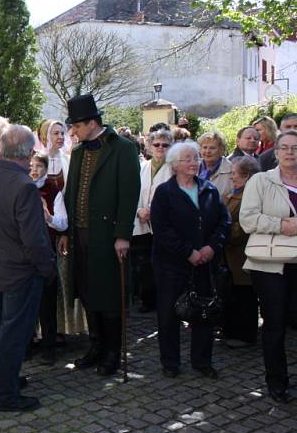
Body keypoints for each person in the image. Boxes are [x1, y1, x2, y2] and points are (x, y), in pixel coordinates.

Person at [0, 125, 56, 412]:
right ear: (27, 153)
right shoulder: (24, 187)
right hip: (20, 271)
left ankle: (0, 377)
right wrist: (47, 268)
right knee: (14, 333)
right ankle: (5, 394)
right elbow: (34, 239)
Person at [60, 94, 141, 376]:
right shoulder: (80, 151)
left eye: (77, 126)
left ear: (93, 123)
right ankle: (95, 347)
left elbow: (129, 195)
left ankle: (112, 352)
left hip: (107, 235)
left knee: (109, 295)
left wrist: (123, 235)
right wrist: (68, 232)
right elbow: (72, 192)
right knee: (87, 291)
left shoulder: (123, 148)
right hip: (81, 233)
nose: (73, 131)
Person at [150, 140, 230, 379]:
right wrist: (188, 252)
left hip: (205, 263)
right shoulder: (164, 193)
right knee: (168, 313)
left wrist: (211, 248)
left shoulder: (209, 189)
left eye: (195, 158)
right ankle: (170, 361)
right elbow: (162, 229)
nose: (194, 163)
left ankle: (202, 361)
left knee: (205, 311)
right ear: (175, 165)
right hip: (171, 265)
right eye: (188, 159)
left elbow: (223, 222)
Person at [240, 129, 297, 404]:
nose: (290, 152)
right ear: (275, 153)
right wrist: (282, 225)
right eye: (284, 147)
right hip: (271, 265)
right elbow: (248, 220)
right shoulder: (261, 181)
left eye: (295, 147)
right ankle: (277, 382)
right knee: (274, 324)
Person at [28, 153, 68, 365]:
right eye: (31, 165)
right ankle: (27, 344)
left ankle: (49, 347)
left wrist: (49, 217)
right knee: (26, 301)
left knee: (46, 302)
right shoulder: (22, 186)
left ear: (46, 168)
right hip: (24, 252)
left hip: (46, 250)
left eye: (39, 166)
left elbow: (63, 223)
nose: (34, 169)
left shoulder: (52, 190)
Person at [132, 129, 174, 313]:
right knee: (143, 265)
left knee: (164, 264)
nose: (160, 148)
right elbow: (133, 193)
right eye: (156, 144)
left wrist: (155, 212)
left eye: (165, 145)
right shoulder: (142, 167)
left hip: (163, 226)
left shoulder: (174, 168)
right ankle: (147, 299)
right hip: (142, 224)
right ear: (149, 146)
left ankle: (166, 299)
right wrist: (139, 210)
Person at [222, 156, 260, 348]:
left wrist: (222, 231)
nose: (231, 177)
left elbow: (245, 225)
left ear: (246, 176)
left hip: (242, 255)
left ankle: (245, 334)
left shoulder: (250, 196)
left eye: (234, 174)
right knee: (234, 294)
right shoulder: (232, 194)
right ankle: (231, 330)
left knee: (245, 296)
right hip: (230, 255)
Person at [35, 119, 71, 190]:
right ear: (46, 135)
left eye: (62, 133)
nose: (61, 137)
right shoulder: (36, 160)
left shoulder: (68, 160)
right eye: (56, 133)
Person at [198, 131, 233, 200]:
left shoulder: (231, 170)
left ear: (221, 150)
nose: (207, 151)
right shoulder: (192, 166)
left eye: (212, 148)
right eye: (205, 147)